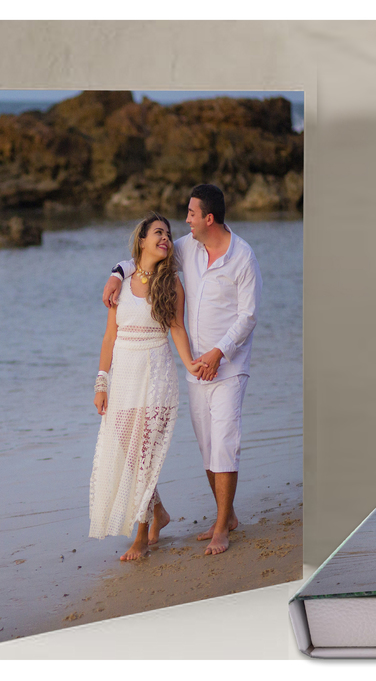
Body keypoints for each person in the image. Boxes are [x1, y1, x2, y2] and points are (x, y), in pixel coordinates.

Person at [102, 184, 261, 556]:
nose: (184, 220)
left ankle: (222, 527)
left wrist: (219, 353)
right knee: (208, 445)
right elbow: (141, 259)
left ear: (208, 218)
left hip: (229, 364)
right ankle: (229, 513)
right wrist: (114, 274)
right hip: (195, 366)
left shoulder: (243, 257)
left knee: (224, 441)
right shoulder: (187, 247)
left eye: (190, 214)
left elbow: (248, 315)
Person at [90, 213, 203, 560]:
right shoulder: (120, 284)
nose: (166, 238)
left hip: (157, 377)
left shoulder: (171, 285)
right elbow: (110, 336)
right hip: (124, 378)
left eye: (168, 234)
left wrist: (191, 364)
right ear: (142, 240)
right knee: (131, 455)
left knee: (143, 456)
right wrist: (101, 382)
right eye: (158, 232)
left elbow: (178, 330)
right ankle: (160, 513)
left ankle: (140, 536)